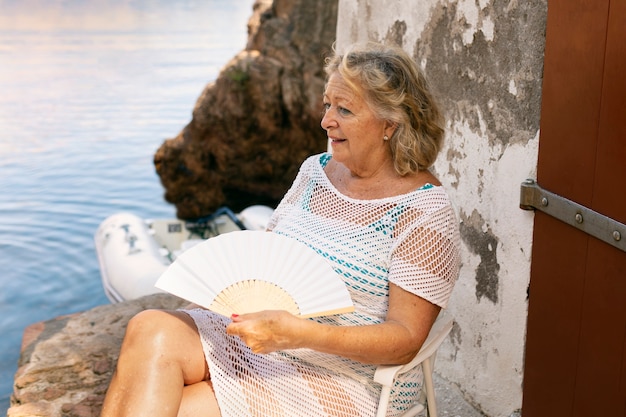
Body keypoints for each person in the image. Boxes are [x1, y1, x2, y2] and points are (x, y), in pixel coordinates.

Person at [100, 41, 461, 417]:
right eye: (327, 105)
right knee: (151, 328)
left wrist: (299, 334)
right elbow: (267, 262)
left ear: (390, 124)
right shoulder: (315, 171)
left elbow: (405, 339)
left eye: (345, 110)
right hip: (270, 337)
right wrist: (206, 301)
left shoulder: (423, 211)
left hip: (348, 375)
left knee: (177, 409)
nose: (326, 121)